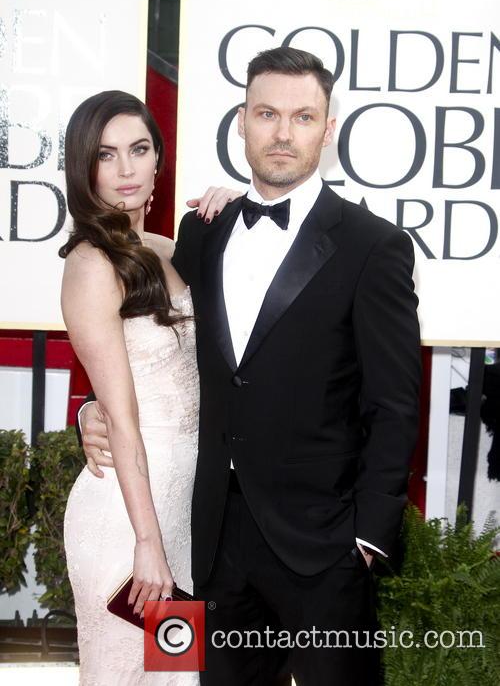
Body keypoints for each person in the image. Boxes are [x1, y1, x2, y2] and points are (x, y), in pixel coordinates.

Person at [80, 49, 422, 686]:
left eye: (303, 116)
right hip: (209, 537)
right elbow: (152, 343)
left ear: (328, 127)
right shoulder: (203, 232)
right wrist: (91, 410)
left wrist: (368, 540)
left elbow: (395, 402)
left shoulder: (373, 246)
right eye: (267, 113)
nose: (283, 133)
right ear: (241, 121)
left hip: (325, 545)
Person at [61, 90, 237, 685]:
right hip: (126, 515)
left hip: (178, 507)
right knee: (125, 676)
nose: (126, 168)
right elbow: (125, 417)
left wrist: (237, 204)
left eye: (139, 149)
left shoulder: (167, 252)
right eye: (106, 155)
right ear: (85, 170)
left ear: (159, 160)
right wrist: (146, 542)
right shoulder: (91, 263)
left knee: (173, 677)